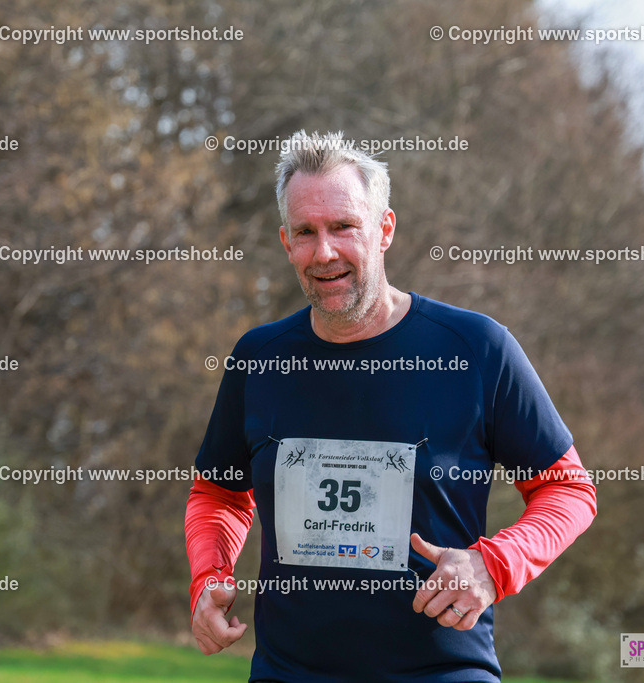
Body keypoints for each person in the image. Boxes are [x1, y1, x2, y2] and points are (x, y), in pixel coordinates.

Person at [185, 130, 597, 681]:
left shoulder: (476, 349)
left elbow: (568, 489)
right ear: (285, 242)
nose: (324, 251)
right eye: (306, 232)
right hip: (290, 671)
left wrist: (492, 565)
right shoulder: (259, 358)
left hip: (442, 671)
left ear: (384, 230)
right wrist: (209, 575)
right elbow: (219, 492)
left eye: (343, 227)